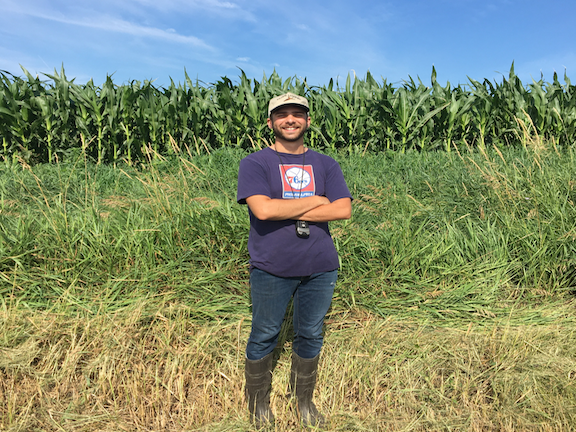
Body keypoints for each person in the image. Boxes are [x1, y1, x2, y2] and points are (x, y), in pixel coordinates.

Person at [237, 92, 352, 428]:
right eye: (282, 114)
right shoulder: (256, 163)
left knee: (311, 334)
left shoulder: (326, 164)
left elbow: (342, 209)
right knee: (265, 333)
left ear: (307, 121)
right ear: (271, 122)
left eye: (297, 114)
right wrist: (316, 201)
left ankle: (303, 402)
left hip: (320, 265)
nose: (290, 120)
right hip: (272, 266)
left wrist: (288, 208)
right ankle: (258, 407)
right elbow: (263, 209)